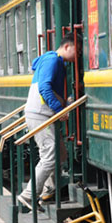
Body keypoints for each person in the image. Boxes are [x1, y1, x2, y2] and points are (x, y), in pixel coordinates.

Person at [16, 33, 77, 211]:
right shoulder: (53, 61)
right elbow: (44, 87)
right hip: (41, 114)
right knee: (50, 156)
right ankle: (29, 195)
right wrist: (59, 110)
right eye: (77, 50)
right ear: (67, 46)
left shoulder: (51, 60)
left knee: (60, 154)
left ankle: (49, 190)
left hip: (40, 113)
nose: (78, 55)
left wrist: (64, 103)